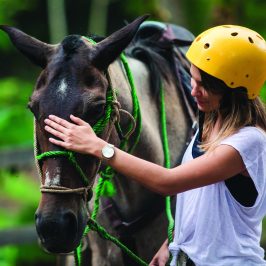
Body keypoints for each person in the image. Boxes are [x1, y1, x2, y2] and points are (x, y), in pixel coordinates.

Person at [44, 25, 266, 265]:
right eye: (192, 78)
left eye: (204, 85)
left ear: (235, 90)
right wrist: (173, 243)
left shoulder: (248, 143)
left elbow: (169, 182)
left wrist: (98, 146)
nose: (193, 91)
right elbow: (198, 197)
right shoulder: (209, 127)